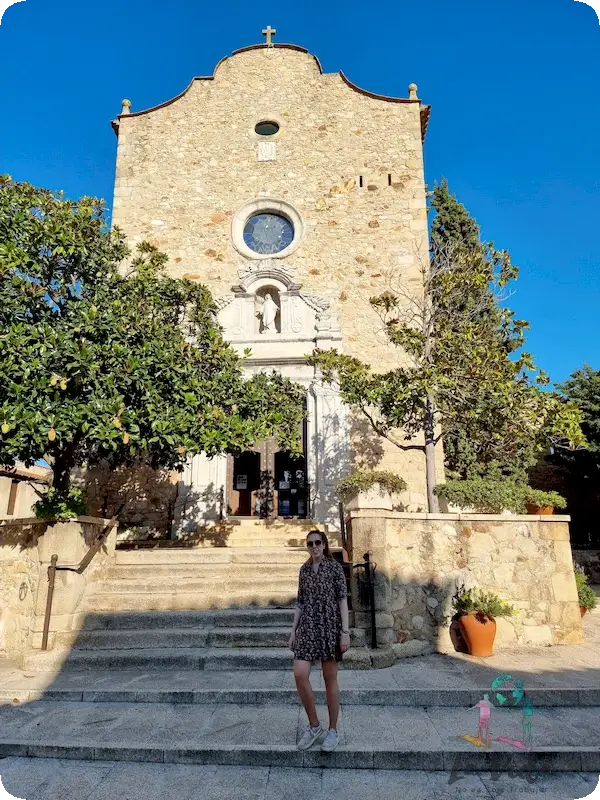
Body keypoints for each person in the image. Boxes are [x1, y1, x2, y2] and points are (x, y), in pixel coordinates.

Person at [288, 529, 350, 752]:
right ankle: (315, 725)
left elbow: (343, 600)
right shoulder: (304, 570)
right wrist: (293, 630)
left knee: (329, 678)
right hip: (307, 626)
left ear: (324, 545)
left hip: (329, 626)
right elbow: (301, 602)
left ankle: (332, 730)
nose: (314, 546)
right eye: (310, 543)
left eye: (317, 542)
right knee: (299, 673)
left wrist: (345, 631)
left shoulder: (334, 569)